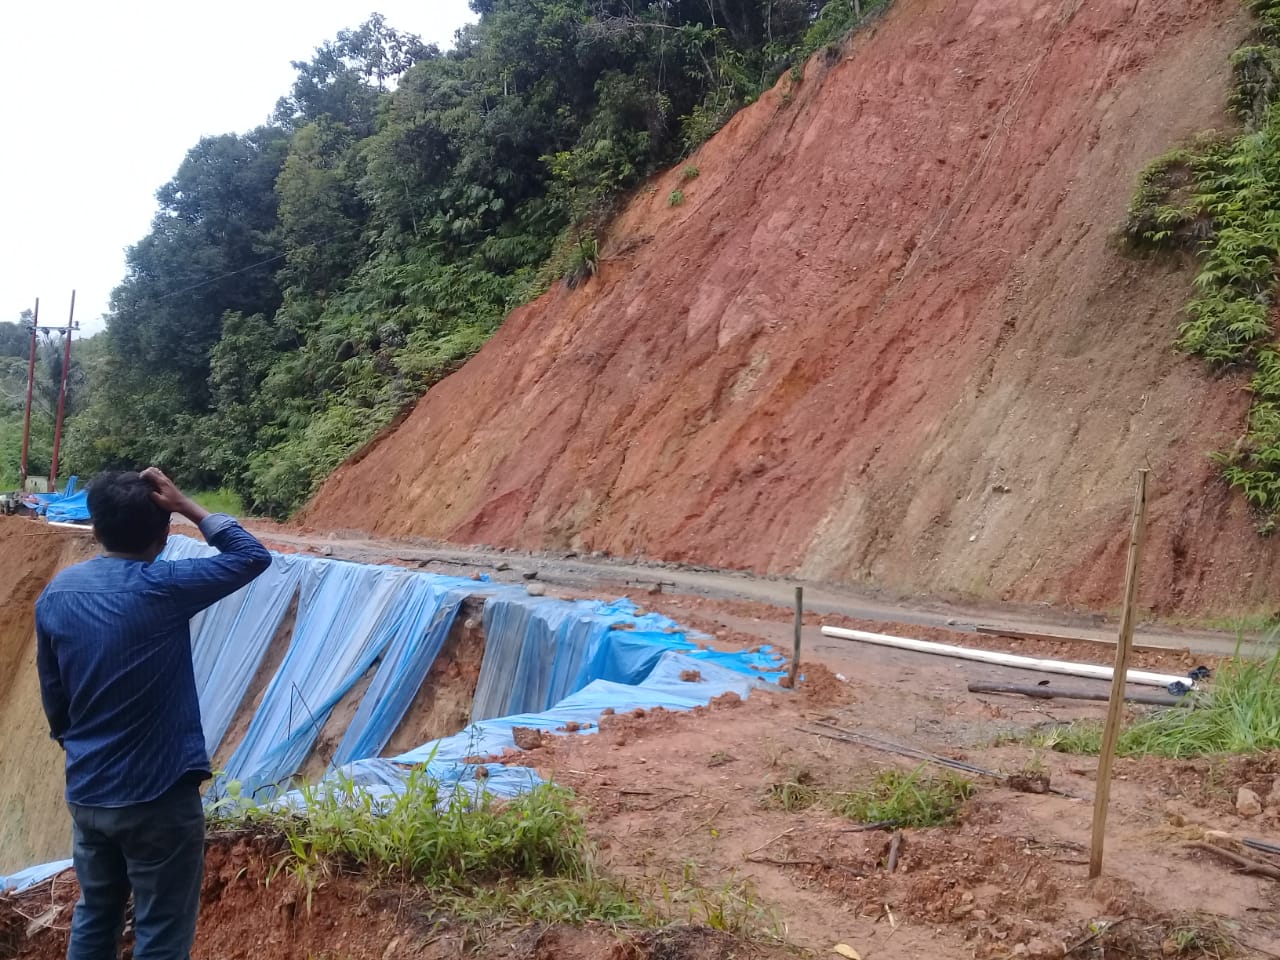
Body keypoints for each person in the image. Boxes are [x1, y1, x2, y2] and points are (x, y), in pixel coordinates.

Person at [36, 467, 271, 960]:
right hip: (159, 796)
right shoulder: (164, 587)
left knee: (95, 914)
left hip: (89, 793)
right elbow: (252, 556)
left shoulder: (57, 595)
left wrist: (78, 749)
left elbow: (55, 699)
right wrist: (186, 505)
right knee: (161, 930)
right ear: (165, 536)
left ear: (94, 530)